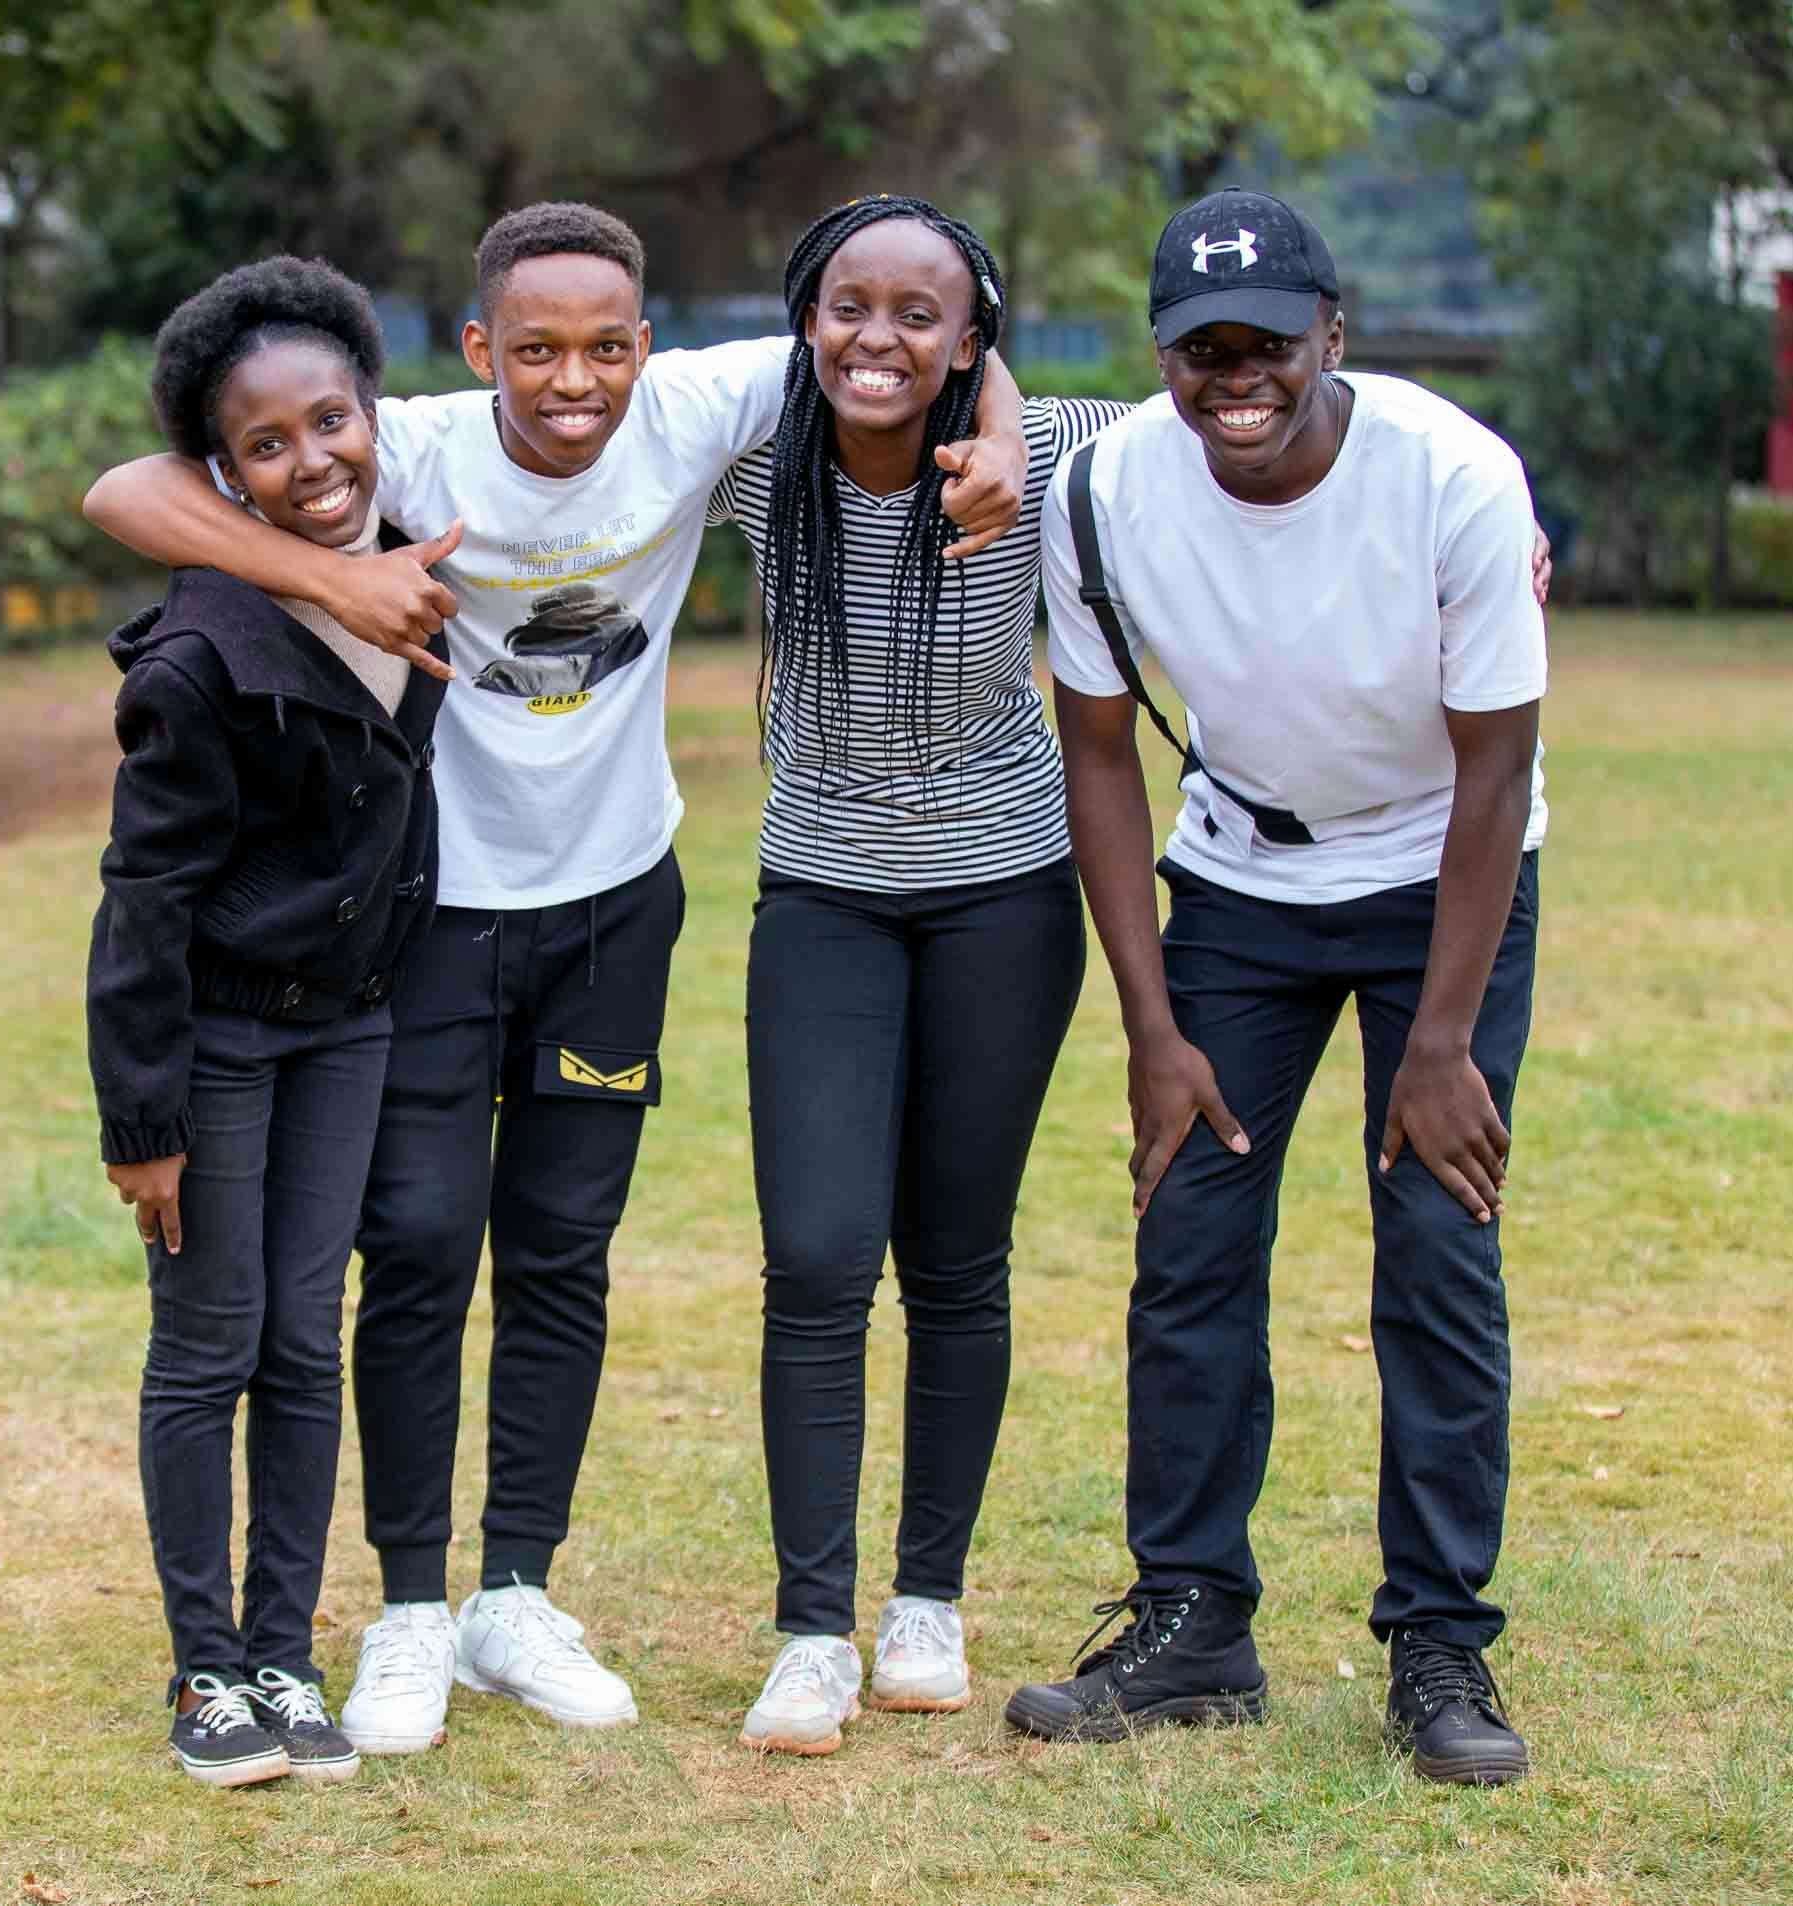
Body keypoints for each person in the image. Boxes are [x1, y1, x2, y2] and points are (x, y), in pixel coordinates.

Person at [82, 203, 1033, 1756]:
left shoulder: (700, 404)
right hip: (433, 916)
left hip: (614, 910)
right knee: (415, 1248)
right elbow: (127, 488)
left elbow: (906, 340)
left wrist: (998, 427)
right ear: (478, 348)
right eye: (534, 348)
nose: (572, 378)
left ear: (645, 345)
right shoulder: (409, 443)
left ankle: (512, 1589)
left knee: (561, 1251)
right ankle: (408, 1602)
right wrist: (330, 580)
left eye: (603, 346)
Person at [1012, 189, 1548, 1787]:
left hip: (1438, 877)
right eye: (1200, 349)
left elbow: (1493, 770)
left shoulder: (1450, 474)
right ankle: (1192, 1620)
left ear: (1333, 333)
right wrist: (1150, 1026)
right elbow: (1095, 756)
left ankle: (1437, 1638)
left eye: (1266, 342)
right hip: (1238, 885)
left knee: (1435, 1247)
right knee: (1187, 1240)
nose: (1233, 375)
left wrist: (1439, 1042)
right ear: (1160, 356)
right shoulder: (1104, 491)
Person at [704, 195, 1125, 1755]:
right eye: (846, 305)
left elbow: (1255, 419)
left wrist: (1498, 521)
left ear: (970, 337)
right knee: (815, 1258)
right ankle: (812, 1630)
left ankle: (924, 1599)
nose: (875, 336)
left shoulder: (1055, 444)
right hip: (821, 891)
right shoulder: (756, 449)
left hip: (1003, 894)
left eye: (918, 314)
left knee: (956, 1257)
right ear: (803, 317)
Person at [85, 257, 446, 1788]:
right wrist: (143, 1120)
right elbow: (142, 901)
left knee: (306, 1340)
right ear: (222, 474)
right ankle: (204, 1670)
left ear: (373, 413)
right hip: (219, 1043)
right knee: (208, 1342)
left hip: (346, 1030)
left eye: (331, 421)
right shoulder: (201, 654)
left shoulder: (419, 567)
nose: (313, 460)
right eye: (267, 444)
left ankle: (285, 1651)